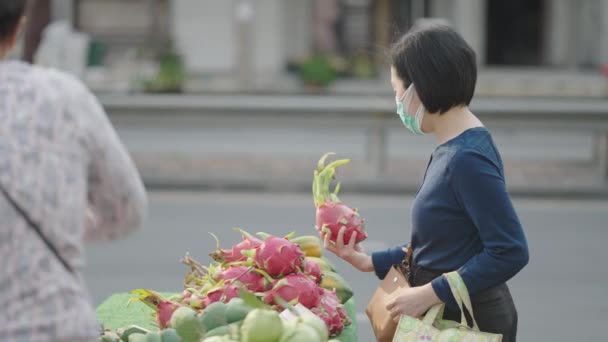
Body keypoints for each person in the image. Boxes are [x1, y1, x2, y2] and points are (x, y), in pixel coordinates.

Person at [319, 23, 529, 342]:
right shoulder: (453, 148)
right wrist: (367, 261)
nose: (398, 103)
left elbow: (510, 250)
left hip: (466, 325)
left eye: (397, 91)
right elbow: (444, 244)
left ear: (420, 88)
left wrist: (428, 293)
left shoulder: (467, 158)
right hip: (445, 318)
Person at [0, 1, 148, 341]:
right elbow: (126, 212)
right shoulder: (63, 97)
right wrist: (59, 217)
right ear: (18, 28)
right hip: (57, 327)